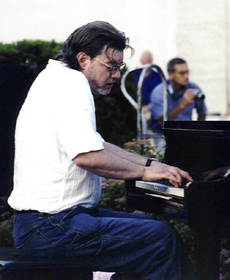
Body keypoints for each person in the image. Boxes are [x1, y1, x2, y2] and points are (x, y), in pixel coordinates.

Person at [8, 21, 196, 280]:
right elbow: (87, 156)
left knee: (154, 234)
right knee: (160, 241)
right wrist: (143, 173)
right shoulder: (72, 84)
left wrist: (151, 164)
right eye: (112, 66)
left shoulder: (57, 78)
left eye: (119, 67)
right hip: (52, 228)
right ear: (83, 59)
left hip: (49, 224)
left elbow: (97, 145)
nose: (117, 75)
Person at [150, 57, 207, 155]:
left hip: (187, 133)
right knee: (163, 157)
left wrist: (198, 134)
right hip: (163, 135)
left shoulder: (193, 87)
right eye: (181, 73)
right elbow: (162, 123)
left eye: (187, 72)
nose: (186, 76)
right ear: (170, 74)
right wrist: (182, 105)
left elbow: (202, 113)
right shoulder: (159, 92)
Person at [133, 50, 162, 121]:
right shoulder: (134, 74)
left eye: (150, 57)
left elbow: (160, 95)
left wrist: (148, 107)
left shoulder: (157, 76)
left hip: (152, 108)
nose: (148, 59)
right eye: (146, 57)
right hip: (135, 107)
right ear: (141, 60)